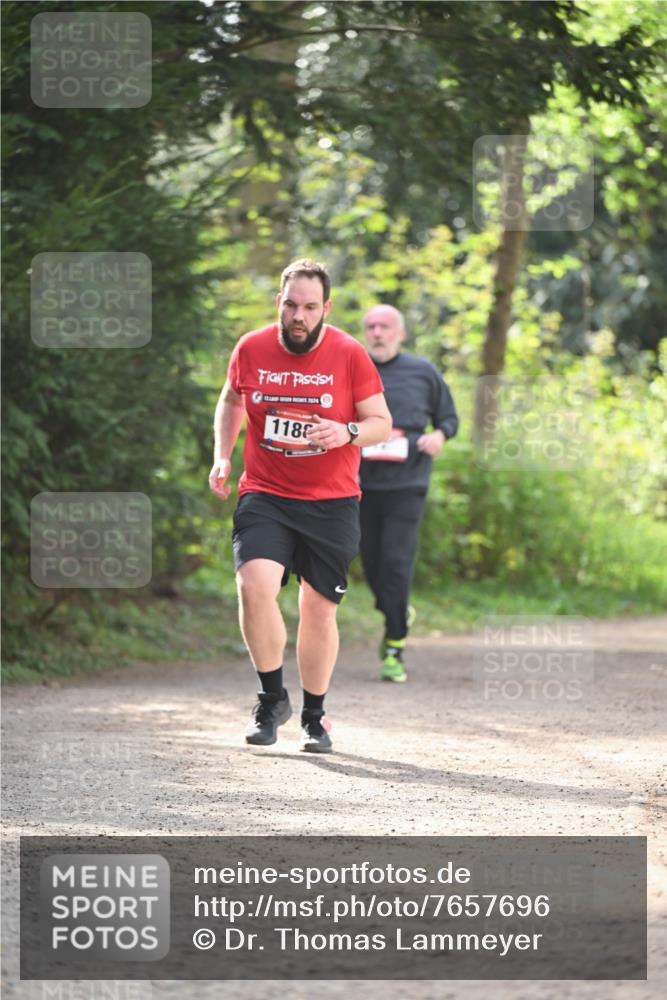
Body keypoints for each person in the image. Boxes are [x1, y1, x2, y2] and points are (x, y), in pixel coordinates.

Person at [209, 260, 392, 753]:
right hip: (266, 492)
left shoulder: (349, 354)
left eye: (310, 307)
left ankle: (315, 715)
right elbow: (230, 401)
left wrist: (346, 431)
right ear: (279, 302)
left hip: (331, 502)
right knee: (254, 585)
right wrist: (222, 456)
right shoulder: (251, 347)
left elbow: (380, 420)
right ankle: (271, 700)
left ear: (325, 308)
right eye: (291, 305)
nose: (299, 316)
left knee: (317, 609)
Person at [359, 305, 459, 683]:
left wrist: (439, 436)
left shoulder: (423, 371)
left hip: (408, 484)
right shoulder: (354, 368)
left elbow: (448, 418)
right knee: (371, 566)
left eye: (384, 326)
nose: (377, 333)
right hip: (360, 483)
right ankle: (396, 610)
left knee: (396, 563)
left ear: (400, 333)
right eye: (370, 326)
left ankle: (395, 644)